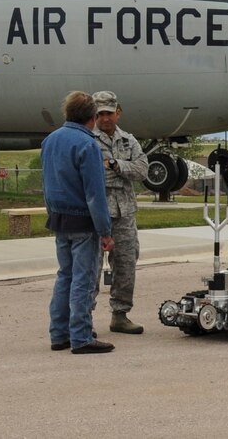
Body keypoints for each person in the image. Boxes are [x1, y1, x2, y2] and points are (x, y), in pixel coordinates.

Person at [42, 91, 115, 354]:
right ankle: (81, 336)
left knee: (65, 276)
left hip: (59, 218)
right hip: (83, 221)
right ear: (92, 117)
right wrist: (105, 231)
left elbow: (47, 184)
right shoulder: (88, 145)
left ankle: (59, 333)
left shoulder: (50, 141)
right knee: (83, 280)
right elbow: (95, 194)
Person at [91, 91, 149, 334]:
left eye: (109, 113)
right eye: (100, 113)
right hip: (96, 210)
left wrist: (115, 165)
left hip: (124, 212)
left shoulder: (128, 140)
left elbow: (142, 170)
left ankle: (120, 315)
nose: (105, 118)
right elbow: (91, 174)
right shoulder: (87, 139)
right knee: (91, 267)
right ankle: (84, 317)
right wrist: (124, 171)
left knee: (126, 264)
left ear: (118, 112)